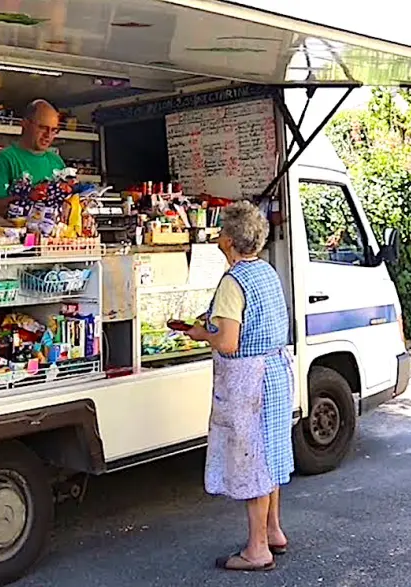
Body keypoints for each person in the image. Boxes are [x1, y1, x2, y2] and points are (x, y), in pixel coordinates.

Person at [183, 200, 295, 572]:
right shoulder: (265, 272)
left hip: (248, 382)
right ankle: (274, 531)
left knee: (252, 464)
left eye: (221, 232)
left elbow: (228, 342)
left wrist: (201, 333)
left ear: (230, 240)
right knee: (271, 455)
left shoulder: (233, 281)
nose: (217, 237)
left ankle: (257, 549)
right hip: (276, 371)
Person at [0, 99, 65, 220]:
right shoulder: (4, 159)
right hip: (13, 236)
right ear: (25, 124)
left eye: (54, 130)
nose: (48, 135)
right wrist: (25, 198)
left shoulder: (57, 162)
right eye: (42, 128)